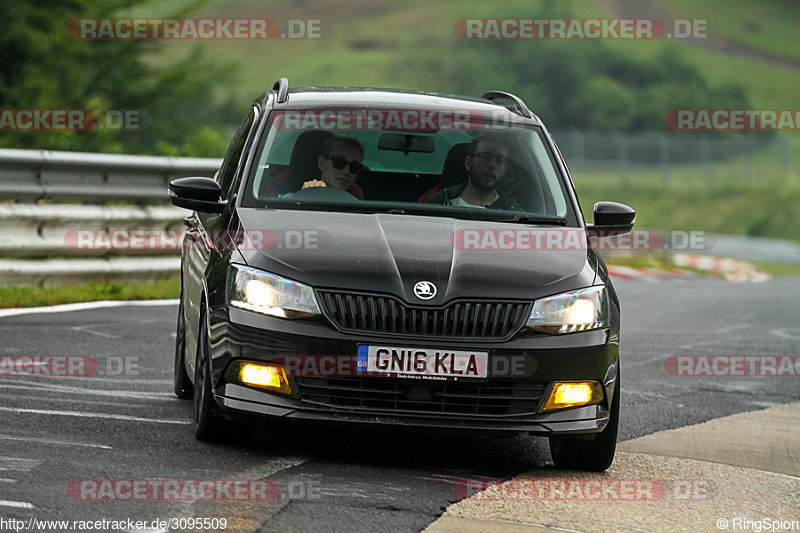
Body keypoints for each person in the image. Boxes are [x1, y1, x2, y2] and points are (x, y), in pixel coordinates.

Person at [426, 134, 520, 209]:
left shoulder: (516, 214)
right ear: (468, 163)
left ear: (505, 171)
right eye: (485, 158)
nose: (492, 165)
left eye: (499, 160)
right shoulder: (438, 203)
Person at [300, 135, 366, 194]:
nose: (346, 172)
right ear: (321, 163)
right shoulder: (295, 199)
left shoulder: (360, 202)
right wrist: (306, 195)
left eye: (355, 166)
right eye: (339, 162)